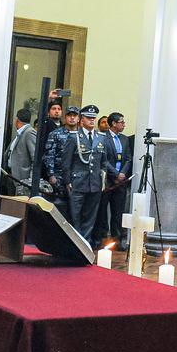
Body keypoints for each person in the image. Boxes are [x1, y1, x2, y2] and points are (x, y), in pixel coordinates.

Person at [61, 105, 106, 244]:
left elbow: (103, 162)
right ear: (82, 120)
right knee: (75, 216)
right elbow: (66, 162)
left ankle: (85, 244)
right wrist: (68, 181)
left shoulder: (100, 138)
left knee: (90, 216)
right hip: (77, 183)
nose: (92, 121)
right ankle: (75, 245)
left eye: (94, 118)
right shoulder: (74, 137)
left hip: (95, 184)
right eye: (89, 118)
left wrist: (103, 180)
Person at [94, 112, 133, 248]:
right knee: (102, 210)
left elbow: (128, 158)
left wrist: (122, 173)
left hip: (121, 182)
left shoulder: (125, 139)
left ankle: (117, 239)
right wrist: (115, 174)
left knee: (118, 211)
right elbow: (103, 160)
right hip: (107, 180)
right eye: (121, 122)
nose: (124, 124)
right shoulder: (103, 138)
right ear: (113, 124)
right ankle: (100, 237)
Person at [43, 105, 80, 200]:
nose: (72, 118)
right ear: (65, 117)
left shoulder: (82, 135)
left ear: (78, 118)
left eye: (74, 115)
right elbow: (49, 155)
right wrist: (51, 175)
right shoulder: (55, 134)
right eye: (69, 115)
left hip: (78, 176)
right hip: (59, 175)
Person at [4, 108, 38, 196]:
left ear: (17, 120)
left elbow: (35, 157)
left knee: (18, 208)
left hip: (22, 180)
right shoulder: (20, 133)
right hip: (12, 176)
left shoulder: (29, 132)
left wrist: (30, 180)